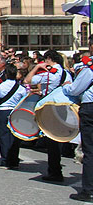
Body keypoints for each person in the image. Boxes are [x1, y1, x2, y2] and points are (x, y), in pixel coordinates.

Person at [24, 49, 72, 182]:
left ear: (49, 59)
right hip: (62, 106)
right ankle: (56, 168)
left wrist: (37, 67)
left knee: (51, 139)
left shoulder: (48, 74)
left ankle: (55, 171)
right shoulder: (66, 73)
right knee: (58, 137)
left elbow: (27, 80)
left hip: (49, 107)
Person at [63, 57, 93, 202]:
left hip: (90, 107)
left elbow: (75, 90)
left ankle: (88, 190)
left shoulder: (89, 69)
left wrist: (66, 86)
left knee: (90, 150)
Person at [0, 64, 26, 169]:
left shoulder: (1, 87)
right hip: (15, 112)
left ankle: (5, 160)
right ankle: (14, 160)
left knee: (3, 136)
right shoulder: (21, 88)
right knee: (15, 136)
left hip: (3, 111)